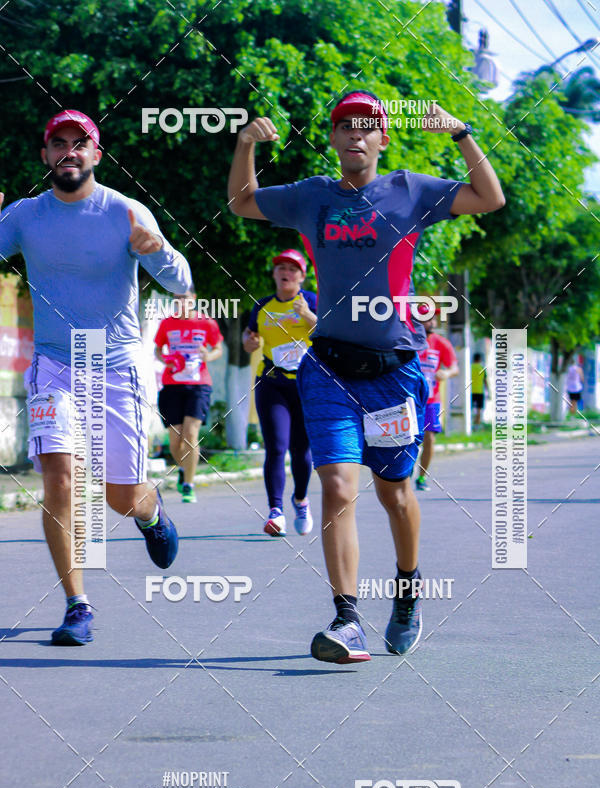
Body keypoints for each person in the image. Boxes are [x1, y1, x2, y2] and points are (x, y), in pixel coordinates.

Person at [228, 90, 504, 663]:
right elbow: (242, 202)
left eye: (367, 126)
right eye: (345, 126)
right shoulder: (312, 197)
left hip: (393, 373)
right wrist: (246, 142)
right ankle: (347, 618)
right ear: (333, 138)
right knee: (337, 486)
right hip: (329, 368)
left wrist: (461, 134)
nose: (355, 134)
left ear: (381, 138)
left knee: (395, 493)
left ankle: (407, 590)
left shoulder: (410, 190)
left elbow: (489, 197)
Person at [0, 109, 192, 645]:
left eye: (79, 143)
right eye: (59, 142)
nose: (69, 151)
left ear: (96, 155)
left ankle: (150, 514)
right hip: (53, 364)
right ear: (45, 155)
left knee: (120, 496)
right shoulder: (24, 215)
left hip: (115, 364)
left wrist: (159, 251)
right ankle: (77, 605)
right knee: (61, 477)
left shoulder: (125, 211)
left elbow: (182, 282)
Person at [242, 249, 317, 536]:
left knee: (301, 450)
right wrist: (248, 342)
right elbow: (250, 335)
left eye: (292, 269)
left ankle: (301, 499)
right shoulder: (262, 306)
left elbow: (329, 333)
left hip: (306, 385)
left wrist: (306, 315)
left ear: (302, 276)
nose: (286, 273)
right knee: (276, 447)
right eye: (281, 268)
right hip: (272, 382)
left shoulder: (312, 301)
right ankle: (276, 511)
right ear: (274, 274)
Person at [154, 292, 224, 503]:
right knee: (175, 441)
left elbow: (218, 348)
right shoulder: (167, 323)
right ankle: (185, 470)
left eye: (185, 297)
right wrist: (165, 359)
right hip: (171, 384)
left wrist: (208, 355)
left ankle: (188, 485)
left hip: (199, 385)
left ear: (194, 297)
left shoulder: (206, 322)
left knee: (191, 435)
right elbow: (158, 349)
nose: (181, 301)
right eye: (177, 297)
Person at [415, 307, 459, 491]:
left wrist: (446, 373)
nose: (432, 322)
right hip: (409, 399)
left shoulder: (441, 343)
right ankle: (402, 476)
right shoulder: (408, 340)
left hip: (431, 400)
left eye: (433, 318)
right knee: (407, 439)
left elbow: (454, 367)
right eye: (427, 319)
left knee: (430, 438)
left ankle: (421, 477)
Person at [470, 351, 487, 427]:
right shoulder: (482, 368)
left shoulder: (470, 367)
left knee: (470, 408)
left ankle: (470, 423)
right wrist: (488, 390)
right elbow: (485, 380)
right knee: (479, 409)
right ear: (480, 359)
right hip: (480, 391)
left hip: (471, 391)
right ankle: (477, 424)